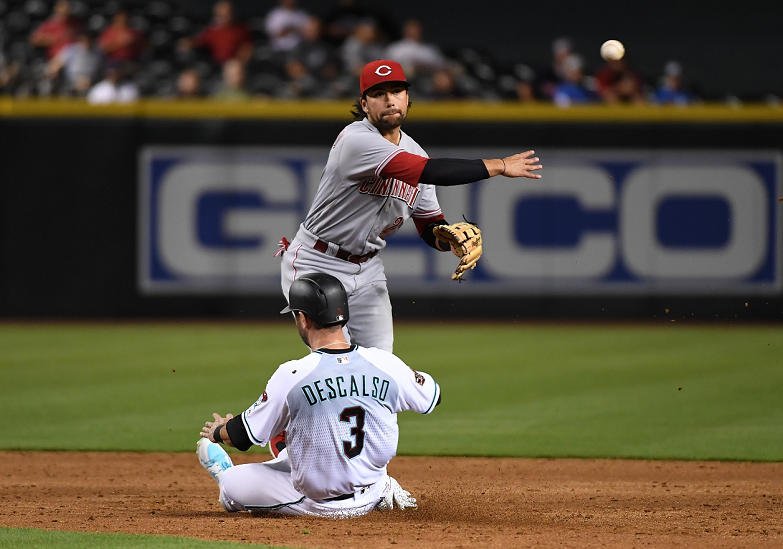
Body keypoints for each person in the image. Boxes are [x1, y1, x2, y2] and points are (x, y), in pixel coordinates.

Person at [277, 59, 542, 353]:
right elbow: (432, 172)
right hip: (318, 261)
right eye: (379, 94)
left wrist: (448, 241)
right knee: (336, 363)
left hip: (367, 268)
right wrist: (500, 165)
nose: (389, 100)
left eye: (396, 91)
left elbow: (429, 225)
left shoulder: (416, 152)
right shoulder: (357, 140)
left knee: (381, 369)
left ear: (407, 99)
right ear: (364, 104)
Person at [196, 273, 431, 517]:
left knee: (233, 483)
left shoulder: (293, 373)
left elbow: (242, 437)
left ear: (303, 318)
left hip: (320, 504)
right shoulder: (385, 363)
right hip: (371, 490)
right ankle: (381, 487)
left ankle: (245, 466)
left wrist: (218, 431)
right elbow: (431, 396)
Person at [179, 1, 253, 65]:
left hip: (234, 65)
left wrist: (239, 61)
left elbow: (247, 48)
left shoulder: (242, 30)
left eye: (227, 14)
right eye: (220, 15)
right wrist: (188, 43)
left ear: (233, 13)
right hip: (215, 66)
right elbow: (199, 41)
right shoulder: (212, 30)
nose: (223, 17)